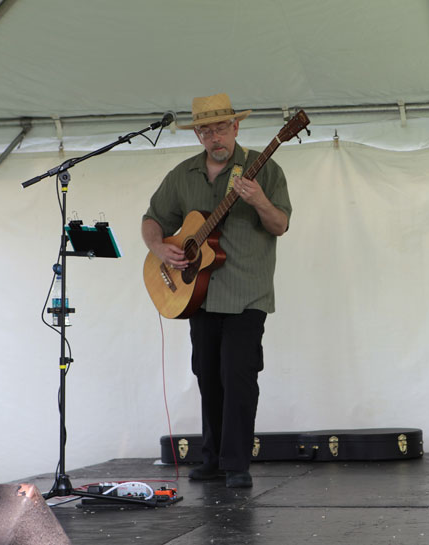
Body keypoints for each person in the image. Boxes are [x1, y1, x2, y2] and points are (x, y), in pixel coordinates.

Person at [142, 93, 292, 488]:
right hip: (198, 295)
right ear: (197, 135)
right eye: (206, 131)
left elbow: (280, 225)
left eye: (221, 128)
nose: (215, 137)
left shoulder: (265, 168)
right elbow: (153, 219)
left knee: (238, 375)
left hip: (247, 294)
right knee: (208, 375)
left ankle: (236, 463)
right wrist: (160, 248)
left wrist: (259, 200)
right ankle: (212, 458)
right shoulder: (183, 174)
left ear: (236, 127)